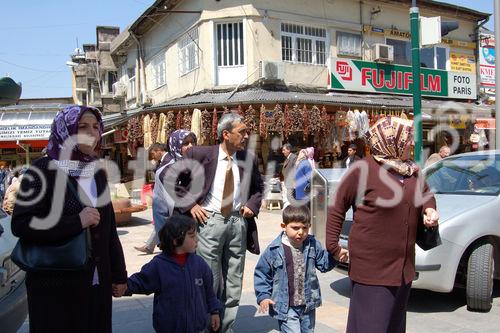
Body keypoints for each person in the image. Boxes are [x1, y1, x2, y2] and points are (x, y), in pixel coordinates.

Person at [11, 105, 127, 332]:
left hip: (96, 283)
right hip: (55, 284)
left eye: (95, 126)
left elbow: (109, 229)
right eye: (82, 126)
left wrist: (119, 274)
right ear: (65, 130)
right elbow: (21, 224)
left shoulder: (96, 173)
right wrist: (76, 222)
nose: (92, 132)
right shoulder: (42, 170)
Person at [326, 116, 439, 333]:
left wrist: (429, 209)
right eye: (407, 140)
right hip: (372, 269)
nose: (411, 144)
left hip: (403, 268)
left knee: (394, 327)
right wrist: (333, 246)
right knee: (371, 326)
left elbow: (426, 194)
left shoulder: (411, 170)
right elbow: (337, 206)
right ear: (390, 141)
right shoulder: (362, 170)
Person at [178, 112, 263, 332]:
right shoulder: (199, 154)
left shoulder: (248, 158)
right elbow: (173, 182)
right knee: (210, 279)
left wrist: (251, 206)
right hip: (209, 222)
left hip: (238, 223)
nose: (246, 136)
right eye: (241, 132)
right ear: (226, 134)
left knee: (234, 281)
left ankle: (226, 327)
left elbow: (257, 189)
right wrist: (191, 205)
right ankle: (208, 326)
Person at [126, 215, 221, 332]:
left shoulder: (199, 264)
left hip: (196, 328)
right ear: (176, 241)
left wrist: (214, 312)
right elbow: (140, 282)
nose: (197, 239)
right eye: (192, 236)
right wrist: (121, 286)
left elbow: (209, 292)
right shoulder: (159, 265)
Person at [254, 205, 336, 332]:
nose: (301, 232)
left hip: (308, 306)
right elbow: (262, 273)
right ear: (284, 226)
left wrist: (336, 256)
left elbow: (324, 265)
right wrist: (263, 296)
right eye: (295, 228)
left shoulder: (313, 245)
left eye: (305, 227)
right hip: (286, 308)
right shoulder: (274, 249)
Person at [134, 130, 197, 254]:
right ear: (176, 146)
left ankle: (149, 246)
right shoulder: (167, 170)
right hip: (179, 231)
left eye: (192, 142)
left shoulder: (195, 164)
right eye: (185, 143)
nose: (190, 146)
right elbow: (162, 208)